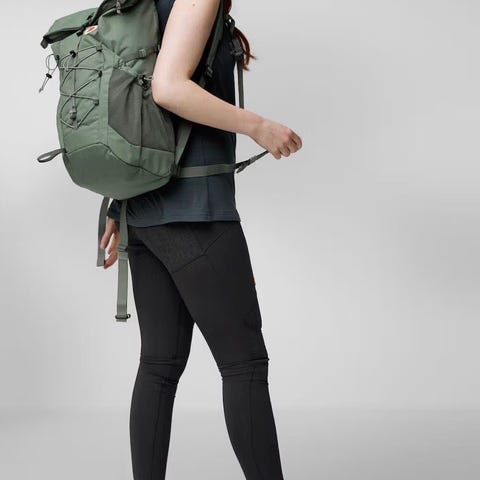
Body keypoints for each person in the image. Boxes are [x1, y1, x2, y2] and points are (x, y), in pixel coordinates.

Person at [101, 1, 302, 479]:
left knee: (159, 365)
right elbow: (167, 88)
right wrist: (259, 126)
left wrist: (116, 202)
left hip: (142, 208)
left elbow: (135, 99)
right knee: (244, 364)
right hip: (195, 212)